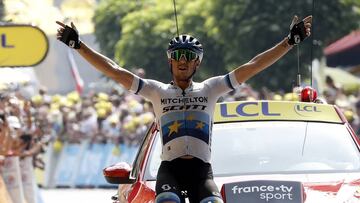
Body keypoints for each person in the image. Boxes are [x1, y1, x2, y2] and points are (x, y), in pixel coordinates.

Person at [56, 15, 312, 203]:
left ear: (197, 63)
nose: (182, 61)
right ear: (169, 60)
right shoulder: (156, 91)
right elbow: (114, 70)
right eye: (177, 55)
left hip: (202, 170)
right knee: (167, 201)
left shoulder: (210, 89)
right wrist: (78, 46)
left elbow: (253, 65)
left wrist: (289, 42)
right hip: (170, 169)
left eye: (189, 57)